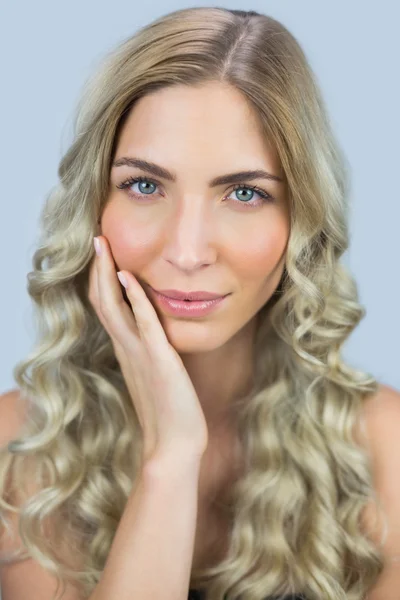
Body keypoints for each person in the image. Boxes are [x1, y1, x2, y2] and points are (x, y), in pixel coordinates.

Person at [0, 6, 399, 600]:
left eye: (245, 193)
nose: (187, 252)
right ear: (92, 206)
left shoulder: (384, 448)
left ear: (303, 220)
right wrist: (171, 458)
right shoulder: (20, 444)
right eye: (144, 185)